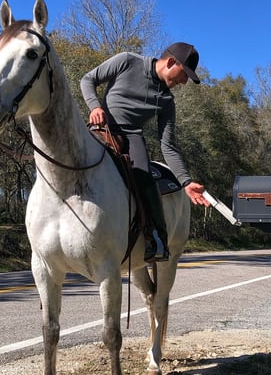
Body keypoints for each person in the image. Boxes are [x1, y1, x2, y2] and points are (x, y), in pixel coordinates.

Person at [81, 42, 210, 262]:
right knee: (70, 155)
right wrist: (95, 106)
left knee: (144, 176)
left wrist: (186, 182)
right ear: (170, 62)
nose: (183, 81)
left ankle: (156, 238)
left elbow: (168, 145)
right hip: (102, 125)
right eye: (184, 74)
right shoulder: (127, 61)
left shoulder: (167, 101)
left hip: (131, 136)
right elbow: (87, 80)